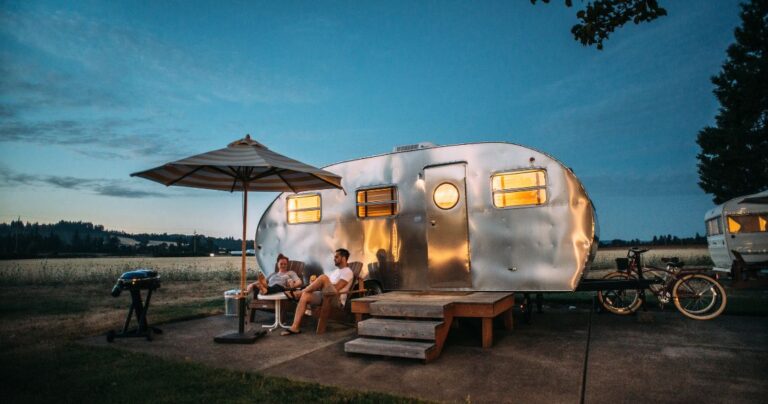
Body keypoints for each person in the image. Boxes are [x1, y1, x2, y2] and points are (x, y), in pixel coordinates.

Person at [281, 248, 353, 335]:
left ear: (344, 258)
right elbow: (327, 287)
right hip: (325, 295)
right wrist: (315, 284)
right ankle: (294, 327)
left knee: (323, 277)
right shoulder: (335, 271)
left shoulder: (348, 272)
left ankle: (299, 293)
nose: (334, 259)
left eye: (336, 257)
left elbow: (336, 288)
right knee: (305, 295)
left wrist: (321, 283)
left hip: (336, 299)